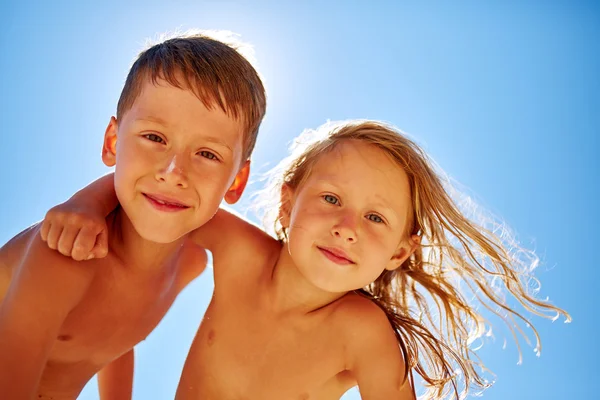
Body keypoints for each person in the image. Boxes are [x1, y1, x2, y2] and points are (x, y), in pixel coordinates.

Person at [43, 120, 570, 399]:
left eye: (376, 219)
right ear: (287, 204)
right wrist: (82, 206)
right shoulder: (241, 252)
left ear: (400, 253)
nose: (346, 227)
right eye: (332, 200)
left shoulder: (360, 330)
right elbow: (163, 198)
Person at [0, 30, 266, 400]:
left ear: (236, 181)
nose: (173, 172)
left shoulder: (190, 263)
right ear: (113, 142)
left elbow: (114, 338)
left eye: (207, 154)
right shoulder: (64, 253)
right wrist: (86, 202)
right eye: (154, 138)